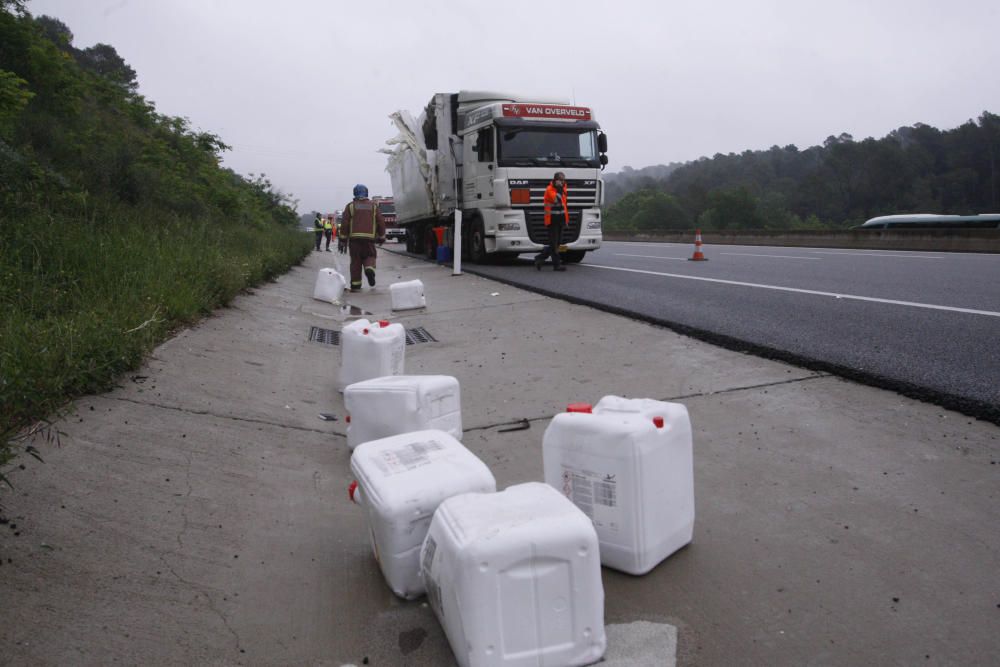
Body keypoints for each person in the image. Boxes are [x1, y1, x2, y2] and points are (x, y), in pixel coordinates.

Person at [338, 184, 386, 292]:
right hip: (369, 239)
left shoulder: (350, 206)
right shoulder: (374, 206)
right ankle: (369, 268)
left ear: (355, 193)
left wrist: (342, 240)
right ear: (366, 193)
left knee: (355, 261)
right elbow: (381, 222)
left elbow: (345, 223)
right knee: (370, 256)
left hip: (354, 240)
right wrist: (382, 236)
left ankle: (356, 285)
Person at [534, 172, 569, 271]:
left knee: (557, 243)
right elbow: (557, 199)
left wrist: (566, 220)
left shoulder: (563, 189)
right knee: (554, 244)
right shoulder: (549, 190)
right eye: (560, 180)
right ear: (555, 180)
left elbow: (564, 206)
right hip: (552, 220)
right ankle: (556, 265)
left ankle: (539, 258)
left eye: (563, 180)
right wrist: (559, 188)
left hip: (561, 220)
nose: (562, 182)